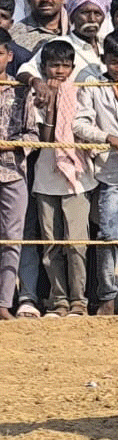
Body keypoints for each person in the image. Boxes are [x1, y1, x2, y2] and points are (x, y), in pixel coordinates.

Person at [73, 29, 118, 314]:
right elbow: (79, 125)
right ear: (104, 59)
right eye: (114, 62)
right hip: (108, 172)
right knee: (108, 234)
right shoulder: (92, 86)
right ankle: (106, 296)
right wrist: (108, 138)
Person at [32, 39, 96, 317]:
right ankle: (58, 298)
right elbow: (44, 139)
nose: (59, 71)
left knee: (76, 243)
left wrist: (64, 97)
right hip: (46, 177)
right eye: (54, 65)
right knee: (51, 244)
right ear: (44, 67)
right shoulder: (36, 95)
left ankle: (79, 299)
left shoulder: (80, 92)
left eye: (64, 66)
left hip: (77, 177)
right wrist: (51, 106)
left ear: (72, 68)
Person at [0, 29, 37, 319]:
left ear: (9, 55)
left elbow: (33, 135)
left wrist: (12, 146)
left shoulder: (22, 92)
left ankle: (3, 303)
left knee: (13, 238)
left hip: (13, 172)